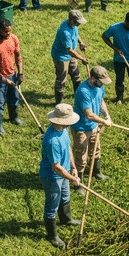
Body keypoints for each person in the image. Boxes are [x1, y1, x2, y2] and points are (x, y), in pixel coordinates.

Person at [39, 103, 81, 249]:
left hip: (65, 172)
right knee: (52, 205)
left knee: (65, 195)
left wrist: (74, 168)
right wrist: (73, 178)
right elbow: (56, 167)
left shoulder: (63, 130)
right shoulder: (52, 141)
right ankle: (53, 236)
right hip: (52, 177)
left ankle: (66, 219)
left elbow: (69, 146)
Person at [71, 66, 113, 195]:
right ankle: (78, 183)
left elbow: (101, 101)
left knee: (96, 150)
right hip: (81, 129)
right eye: (101, 81)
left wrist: (106, 115)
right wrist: (103, 122)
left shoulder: (99, 86)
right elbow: (89, 114)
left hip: (93, 126)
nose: (102, 84)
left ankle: (97, 173)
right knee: (81, 156)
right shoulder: (83, 91)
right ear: (93, 78)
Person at [101, 12, 129, 106]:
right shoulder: (115, 28)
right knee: (119, 79)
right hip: (118, 60)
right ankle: (119, 98)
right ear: (126, 21)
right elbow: (104, 36)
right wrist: (114, 48)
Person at [51, 10, 89, 105]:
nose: (79, 24)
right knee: (61, 79)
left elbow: (76, 32)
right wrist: (82, 59)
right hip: (61, 57)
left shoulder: (73, 25)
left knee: (76, 75)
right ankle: (58, 103)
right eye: (78, 22)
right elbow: (70, 50)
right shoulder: (65, 32)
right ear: (72, 20)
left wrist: (81, 42)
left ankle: (78, 96)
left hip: (71, 55)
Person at [0, 18, 26, 136]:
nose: (8, 33)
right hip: (1, 79)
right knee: (0, 102)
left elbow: (18, 56)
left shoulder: (13, 38)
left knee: (14, 98)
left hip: (12, 74)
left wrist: (20, 73)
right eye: (5, 31)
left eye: (9, 31)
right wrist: (5, 80)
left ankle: (14, 117)